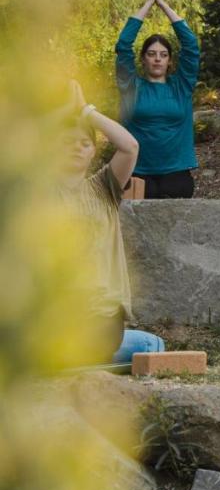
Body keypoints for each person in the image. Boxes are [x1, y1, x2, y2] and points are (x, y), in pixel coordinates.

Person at [60, 80, 141, 357]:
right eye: (67, 142)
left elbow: (129, 146)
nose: (76, 148)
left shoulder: (103, 187)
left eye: (84, 143)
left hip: (101, 318)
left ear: (93, 151)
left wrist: (85, 111)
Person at [114, 0, 200, 198]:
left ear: (170, 61)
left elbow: (191, 46)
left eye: (163, 55)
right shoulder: (131, 87)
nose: (157, 59)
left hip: (177, 174)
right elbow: (123, 46)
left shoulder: (181, 87)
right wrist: (147, 5)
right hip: (137, 173)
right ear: (143, 59)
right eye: (151, 54)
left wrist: (163, 5)